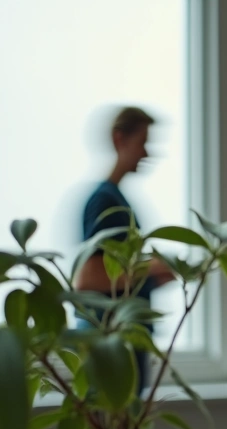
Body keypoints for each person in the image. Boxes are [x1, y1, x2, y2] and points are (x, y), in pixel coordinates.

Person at [75, 106, 174, 390]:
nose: (146, 153)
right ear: (121, 140)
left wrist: (154, 276)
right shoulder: (105, 202)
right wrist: (152, 267)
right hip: (112, 345)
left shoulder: (117, 200)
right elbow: (89, 278)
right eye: (142, 142)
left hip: (126, 340)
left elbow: (119, 277)